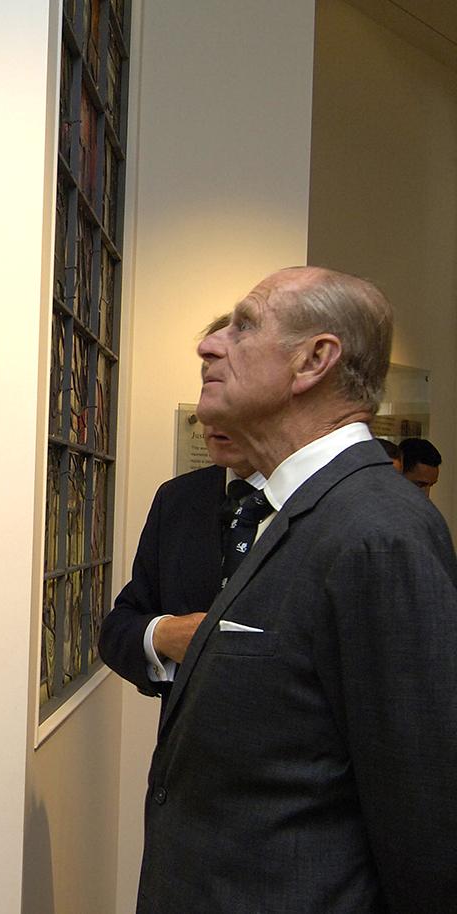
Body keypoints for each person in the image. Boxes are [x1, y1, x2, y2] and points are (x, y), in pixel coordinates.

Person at [138, 266, 457, 912]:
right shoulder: (292, 512)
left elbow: (425, 830)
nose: (209, 345)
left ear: (315, 360)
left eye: (245, 324)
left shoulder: (378, 530)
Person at [99, 416, 264, 697]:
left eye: (233, 401)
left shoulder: (324, 502)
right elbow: (119, 627)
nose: (217, 417)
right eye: (209, 398)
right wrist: (162, 634)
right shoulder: (178, 498)